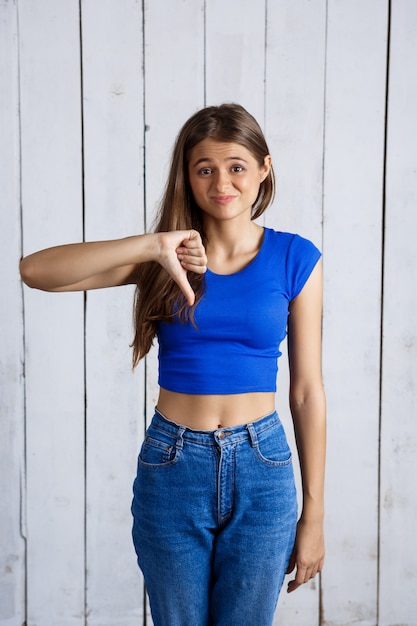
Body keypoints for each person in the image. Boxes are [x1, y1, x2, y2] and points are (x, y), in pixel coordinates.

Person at [20, 103, 326, 626]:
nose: (221, 182)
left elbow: (306, 391)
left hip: (264, 466)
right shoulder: (166, 257)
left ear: (263, 169)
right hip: (173, 462)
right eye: (204, 168)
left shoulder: (297, 257)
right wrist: (152, 245)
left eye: (236, 166)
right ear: (187, 175)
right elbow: (36, 271)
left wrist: (314, 513)